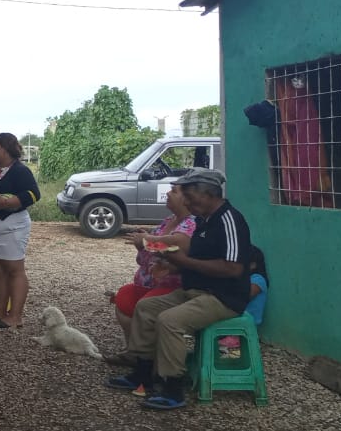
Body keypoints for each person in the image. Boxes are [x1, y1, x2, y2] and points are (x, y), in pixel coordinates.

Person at [106, 168, 253, 411]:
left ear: (207, 194)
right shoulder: (203, 220)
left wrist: (185, 262)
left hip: (222, 297)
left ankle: (172, 387)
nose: (187, 203)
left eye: (189, 197)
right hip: (194, 290)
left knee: (170, 320)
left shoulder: (230, 220)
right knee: (146, 307)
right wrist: (172, 264)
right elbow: (193, 255)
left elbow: (233, 268)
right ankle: (143, 373)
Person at [103, 184, 197, 366]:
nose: (168, 193)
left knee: (146, 305)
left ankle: (147, 358)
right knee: (124, 297)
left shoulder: (192, 224)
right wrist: (142, 246)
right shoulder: (168, 220)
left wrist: (148, 241)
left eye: (174, 191)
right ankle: (135, 352)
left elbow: (174, 246)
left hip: (172, 287)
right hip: (149, 284)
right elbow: (146, 258)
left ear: (186, 199)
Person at [0, 133, 41, 329]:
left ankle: (16, 316)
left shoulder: (20, 170)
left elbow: (33, 194)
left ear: (4, 148)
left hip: (10, 227)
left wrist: (7, 202)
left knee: (14, 270)